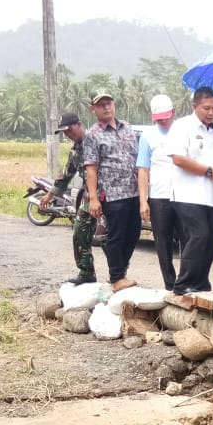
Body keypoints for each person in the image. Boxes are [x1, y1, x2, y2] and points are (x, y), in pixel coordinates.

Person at [167, 86, 213, 294]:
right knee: (199, 235)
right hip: (187, 193)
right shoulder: (182, 126)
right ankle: (183, 283)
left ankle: (201, 283)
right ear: (195, 106)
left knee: (210, 241)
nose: (211, 112)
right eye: (206, 108)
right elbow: (178, 158)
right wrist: (210, 171)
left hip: (211, 196)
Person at [83, 91, 141, 292]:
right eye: (101, 105)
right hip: (113, 193)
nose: (106, 107)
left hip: (133, 191)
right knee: (116, 235)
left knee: (133, 234)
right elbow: (91, 168)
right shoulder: (93, 135)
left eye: (109, 103)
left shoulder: (128, 128)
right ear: (94, 109)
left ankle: (120, 272)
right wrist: (93, 198)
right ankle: (117, 277)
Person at [41, 112, 97, 285]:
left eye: (69, 130)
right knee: (80, 231)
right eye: (64, 132)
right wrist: (50, 195)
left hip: (106, 197)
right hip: (89, 197)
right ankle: (86, 272)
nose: (68, 134)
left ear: (79, 125)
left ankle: (117, 277)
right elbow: (66, 175)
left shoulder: (95, 142)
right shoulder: (76, 149)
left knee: (106, 239)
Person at [138, 94, 184, 291]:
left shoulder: (183, 131)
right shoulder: (148, 136)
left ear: (173, 112)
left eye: (166, 116)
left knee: (188, 239)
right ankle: (169, 284)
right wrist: (143, 201)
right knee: (162, 242)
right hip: (159, 196)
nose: (163, 121)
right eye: (159, 118)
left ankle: (186, 281)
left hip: (183, 195)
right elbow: (143, 169)